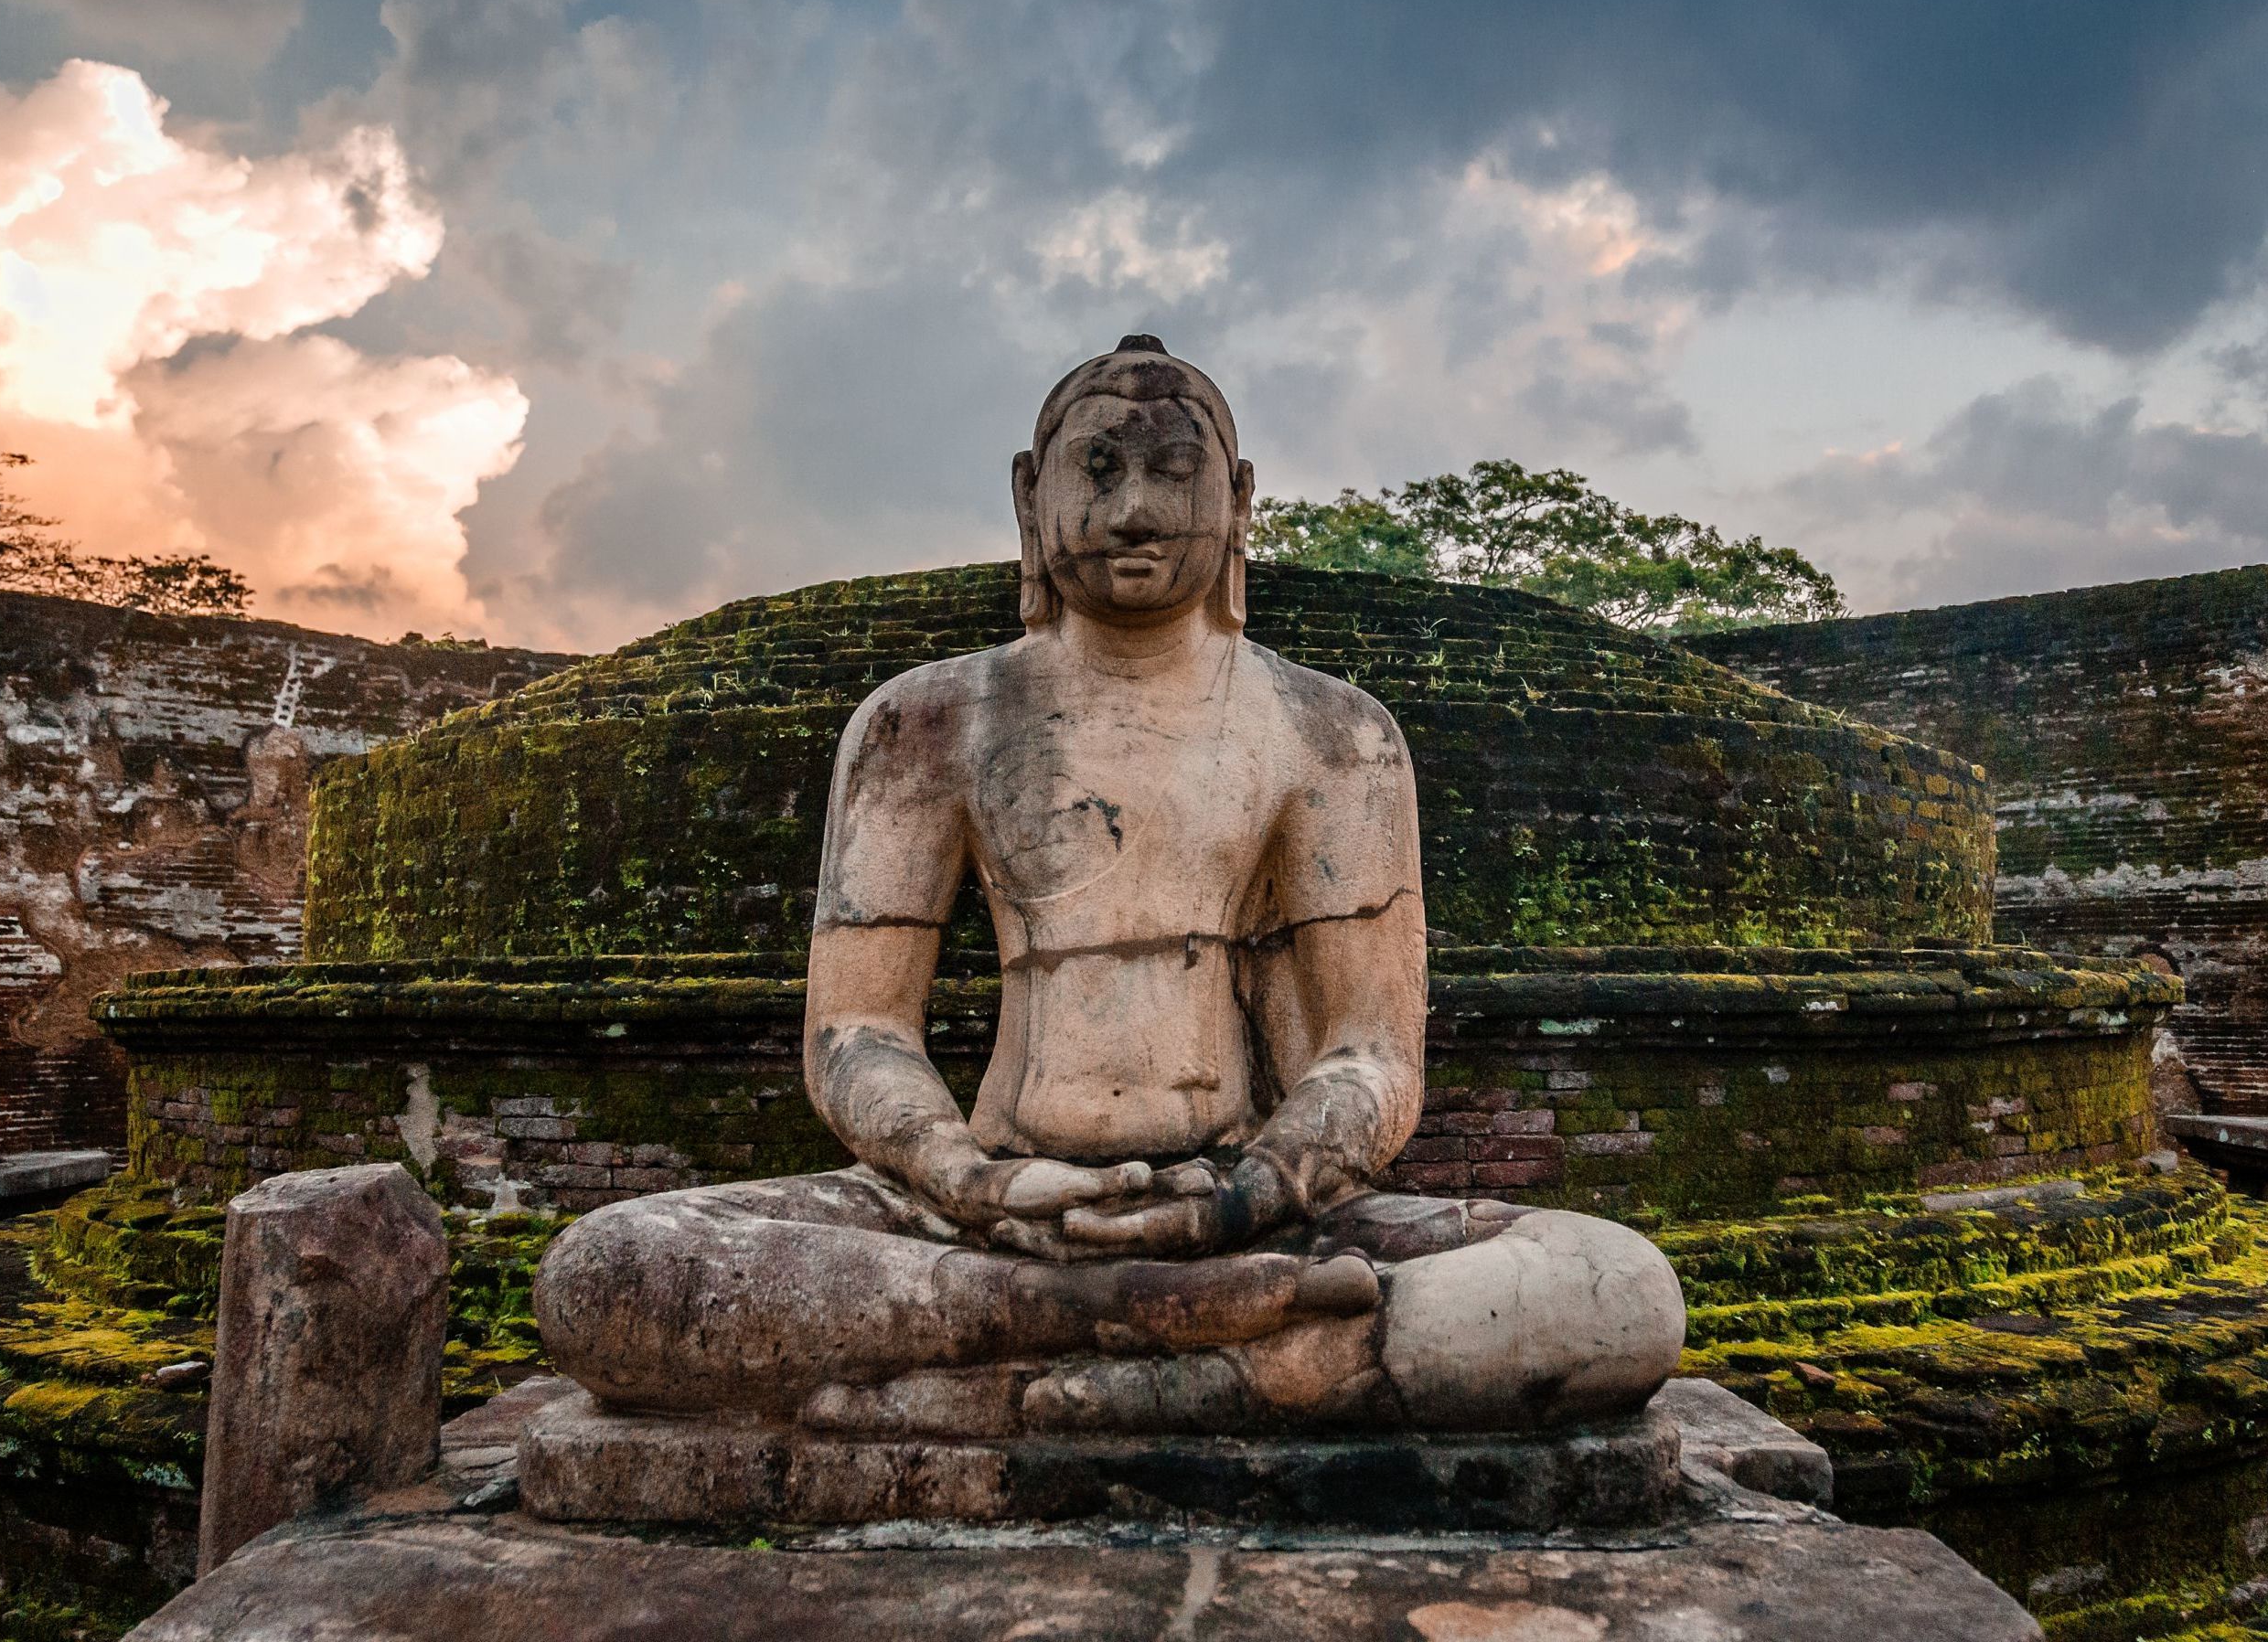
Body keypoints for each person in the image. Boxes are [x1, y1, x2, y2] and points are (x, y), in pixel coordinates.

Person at [533, 338, 1684, 1435]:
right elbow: (856, 1030)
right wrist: (962, 1172)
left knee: (1618, 1288)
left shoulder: (1334, 735)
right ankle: (1189, 1348)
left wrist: (1252, 1193)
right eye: (1100, 467)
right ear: (1030, 495)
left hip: (1247, 1201)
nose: (1135, 507)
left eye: (1174, 471)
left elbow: (1373, 1055)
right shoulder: (925, 720)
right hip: (984, 1207)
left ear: (1238, 499)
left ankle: (1040, 1362)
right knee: (607, 1269)